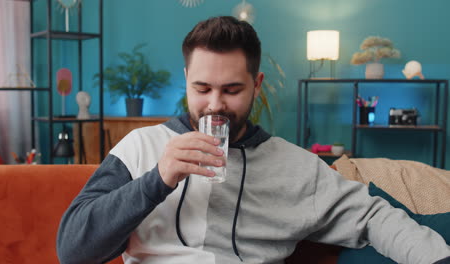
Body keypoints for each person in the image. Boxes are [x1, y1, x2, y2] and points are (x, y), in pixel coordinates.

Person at [57, 16, 450, 264]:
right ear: (186, 81)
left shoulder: (296, 167)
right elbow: (73, 249)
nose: (214, 105)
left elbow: (372, 217)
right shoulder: (140, 147)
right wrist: (157, 179)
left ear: (257, 86)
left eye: (231, 89)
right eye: (202, 88)